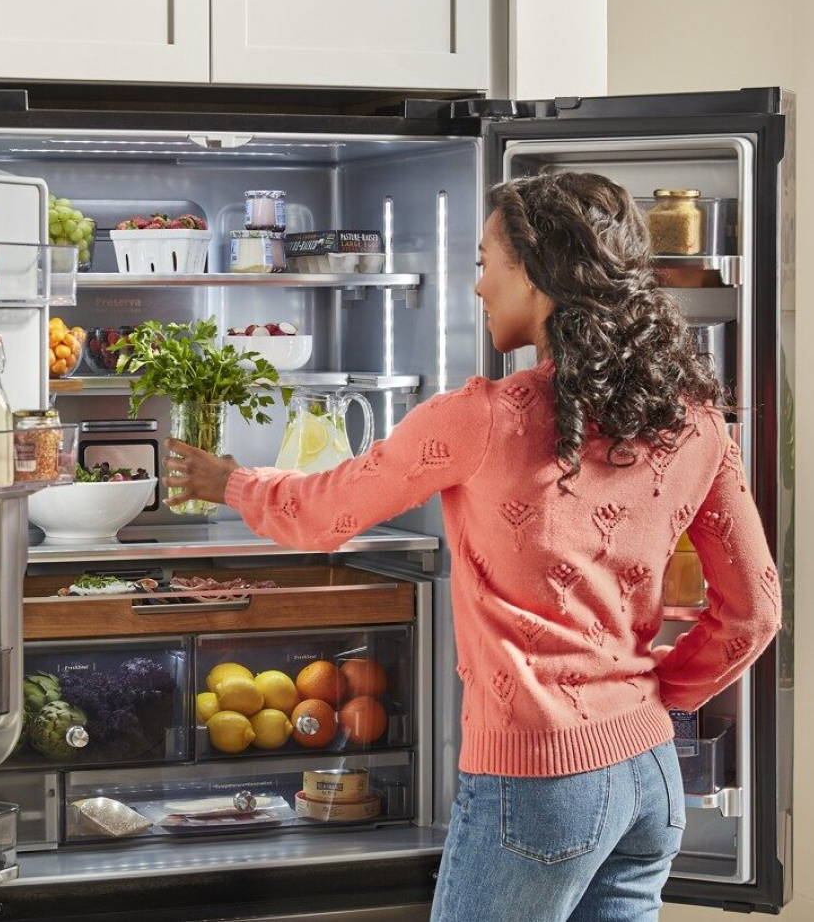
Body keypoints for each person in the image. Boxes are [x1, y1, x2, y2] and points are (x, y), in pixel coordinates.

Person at [161, 172, 782, 922]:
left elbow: (324, 515)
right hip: (650, 773)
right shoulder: (696, 419)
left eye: (487, 261)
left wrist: (228, 483)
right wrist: (655, 699)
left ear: (537, 270)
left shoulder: (482, 417)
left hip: (540, 779)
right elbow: (755, 613)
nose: (479, 286)